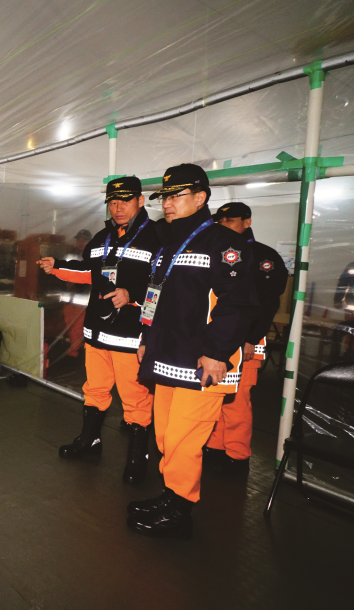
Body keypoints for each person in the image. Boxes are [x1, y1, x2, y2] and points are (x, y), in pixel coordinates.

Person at [128, 164, 259, 537]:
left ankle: (180, 511)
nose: (168, 203)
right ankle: (171, 495)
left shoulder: (224, 244)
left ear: (201, 198)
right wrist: (145, 339)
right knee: (167, 436)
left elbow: (237, 305)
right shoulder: (169, 243)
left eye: (176, 196)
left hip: (203, 362)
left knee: (185, 439)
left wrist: (217, 353)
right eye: (165, 197)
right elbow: (156, 296)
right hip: (168, 355)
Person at [38, 176, 160, 484]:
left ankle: (138, 456)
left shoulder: (157, 237)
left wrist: (132, 295)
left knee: (135, 397)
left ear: (140, 200)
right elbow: (87, 272)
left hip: (131, 335)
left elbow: (164, 283)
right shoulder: (103, 237)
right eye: (113, 202)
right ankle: (89, 440)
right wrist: (57, 266)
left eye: (125, 201)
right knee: (94, 389)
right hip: (96, 332)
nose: (118, 208)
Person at [203, 202, 288, 475]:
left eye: (230, 220)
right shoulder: (216, 250)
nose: (224, 225)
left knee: (237, 400)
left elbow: (268, 302)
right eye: (220, 221)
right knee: (216, 394)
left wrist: (252, 337)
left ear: (247, 222)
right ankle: (215, 447)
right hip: (220, 336)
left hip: (247, 338)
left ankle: (237, 455)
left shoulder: (263, 255)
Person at [60, 229, 92, 358]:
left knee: (78, 325)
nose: (81, 242)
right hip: (68, 297)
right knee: (70, 324)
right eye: (79, 239)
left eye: (84, 240)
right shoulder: (70, 254)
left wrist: (76, 285)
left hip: (82, 298)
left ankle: (74, 352)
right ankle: (76, 349)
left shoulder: (94, 256)